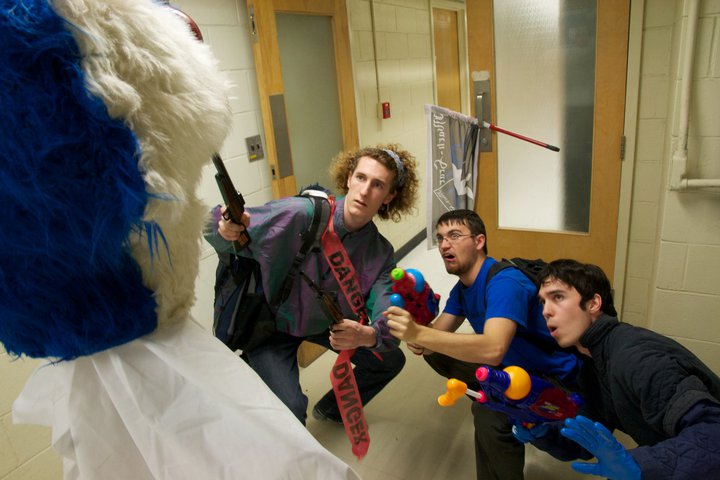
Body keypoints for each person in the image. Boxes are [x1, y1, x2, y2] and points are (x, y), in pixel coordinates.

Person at [205, 144, 419, 425]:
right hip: (273, 325)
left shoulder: (379, 253)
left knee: (391, 360)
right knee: (292, 410)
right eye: (361, 177)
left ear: (389, 196)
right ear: (349, 178)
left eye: (378, 185)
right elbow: (215, 225)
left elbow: (386, 313)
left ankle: (332, 409)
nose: (365, 191)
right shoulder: (301, 213)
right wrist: (224, 228)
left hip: (325, 326)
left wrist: (366, 335)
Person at [385, 209, 581, 480]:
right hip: (513, 368)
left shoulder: (503, 281)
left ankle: (497, 404)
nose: (444, 245)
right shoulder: (462, 290)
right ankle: (491, 394)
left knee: (488, 414)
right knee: (435, 351)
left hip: (556, 380)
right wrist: (415, 326)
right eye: (440, 238)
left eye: (454, 235)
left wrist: (419, 334)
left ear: (479, 241)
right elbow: (433, 341)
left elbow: (493, 349)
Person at [511, 259, 720, 479]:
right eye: (543, 302)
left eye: (558, 297)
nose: (545, 311)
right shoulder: (593, 366)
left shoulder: (634, 358)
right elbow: (586, 436)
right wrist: (544, 431)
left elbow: (714, 432)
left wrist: (640, 465)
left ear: (593, 303)